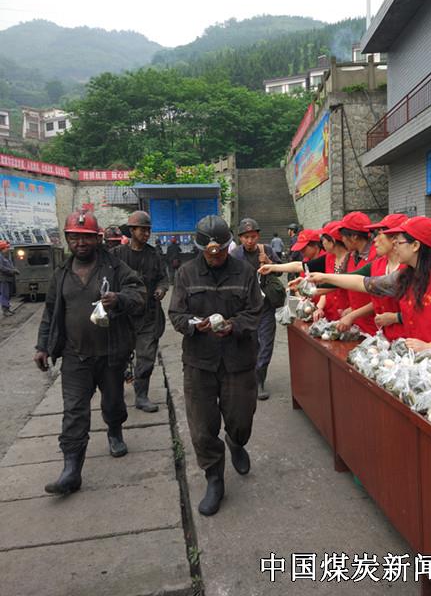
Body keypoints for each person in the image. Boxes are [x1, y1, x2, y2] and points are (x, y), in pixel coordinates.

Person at [34, 211, 145, 495]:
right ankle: (71, 470)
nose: (80, 242)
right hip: (75, 356)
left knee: (113, 403)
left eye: (86, 237)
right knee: (74, 411)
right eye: (74, 237)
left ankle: (115, 431)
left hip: (111, 354)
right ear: (67, 239)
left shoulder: (115, 267)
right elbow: (50, 312)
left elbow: (139, 293)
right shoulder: (61, 274)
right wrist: (43, 346)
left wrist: (119, 299)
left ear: (97, 239)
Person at [168, 215, 263, 516]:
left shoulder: (245, 272)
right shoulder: (186, 274)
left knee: (241, 418)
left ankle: (236, 442)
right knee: (202, 426)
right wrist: (194, 325)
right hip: (200, 362)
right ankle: (214, 478)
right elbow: (176, 314)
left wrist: (234, 325)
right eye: (209, 252)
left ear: (227, 246)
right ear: (200, 249)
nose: (215, 256)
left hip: (238, 359)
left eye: (220, 251)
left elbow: (255, 311)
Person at [306, 216, 431, 368]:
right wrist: (323, 277)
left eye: (399, 242)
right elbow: (364, 283)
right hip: (427, 363)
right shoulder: (408, 275)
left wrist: (429, 347)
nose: (395, 246)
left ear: (415, 245)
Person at [308, 214, 407, 338]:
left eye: (380, 234)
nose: (375, 240)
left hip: (406, 338)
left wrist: (396, 317)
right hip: (379, 333)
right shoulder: (374, 263)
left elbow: (422, 313)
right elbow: (353, 278)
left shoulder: (408, 269)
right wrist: (318, 282)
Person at [112, 211, 169, 412]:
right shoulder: (117, 255)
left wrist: (161, 289)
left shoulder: (154, 255)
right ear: (132, 230)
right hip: (122, 316)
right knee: (119, 357)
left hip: (148, 315)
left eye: (148, 230)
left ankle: (141, 396)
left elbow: (163, 278)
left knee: (146, 358)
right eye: (142, 230)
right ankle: (116, 389)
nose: (146, 234)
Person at [231, 218, 281, 400]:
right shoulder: (235, 255)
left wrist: (269, 262)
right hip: (244, 308)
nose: (250, 240)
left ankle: (259, 380)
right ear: (240, 238)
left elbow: (280, 270)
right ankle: (246, 378)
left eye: (253, 236)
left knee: (266, 342)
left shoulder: (266, 250)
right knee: (248, 343)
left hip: (265, 306)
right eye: (246, 237)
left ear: (258, 236)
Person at [337, 211, 378, 335]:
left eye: (343, 236)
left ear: (354, 236)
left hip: (376, 328)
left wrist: (353, 314)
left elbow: (381, 298)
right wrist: (351, 309)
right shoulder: (351, 256)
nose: (342, 240)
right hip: (358, 326)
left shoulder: (377, 256)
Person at [0, 241, 18, 316]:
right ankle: (5, 310)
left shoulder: (6, 257)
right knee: (4, 294)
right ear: (2, 248)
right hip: (3, 279)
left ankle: (7, 308)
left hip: (8, 278)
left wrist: (14, 269)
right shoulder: (0, 257)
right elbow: (1, 268)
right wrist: (12, 271)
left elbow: (10, 265)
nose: (8, 249)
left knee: (8, 294)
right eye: (6, 247)